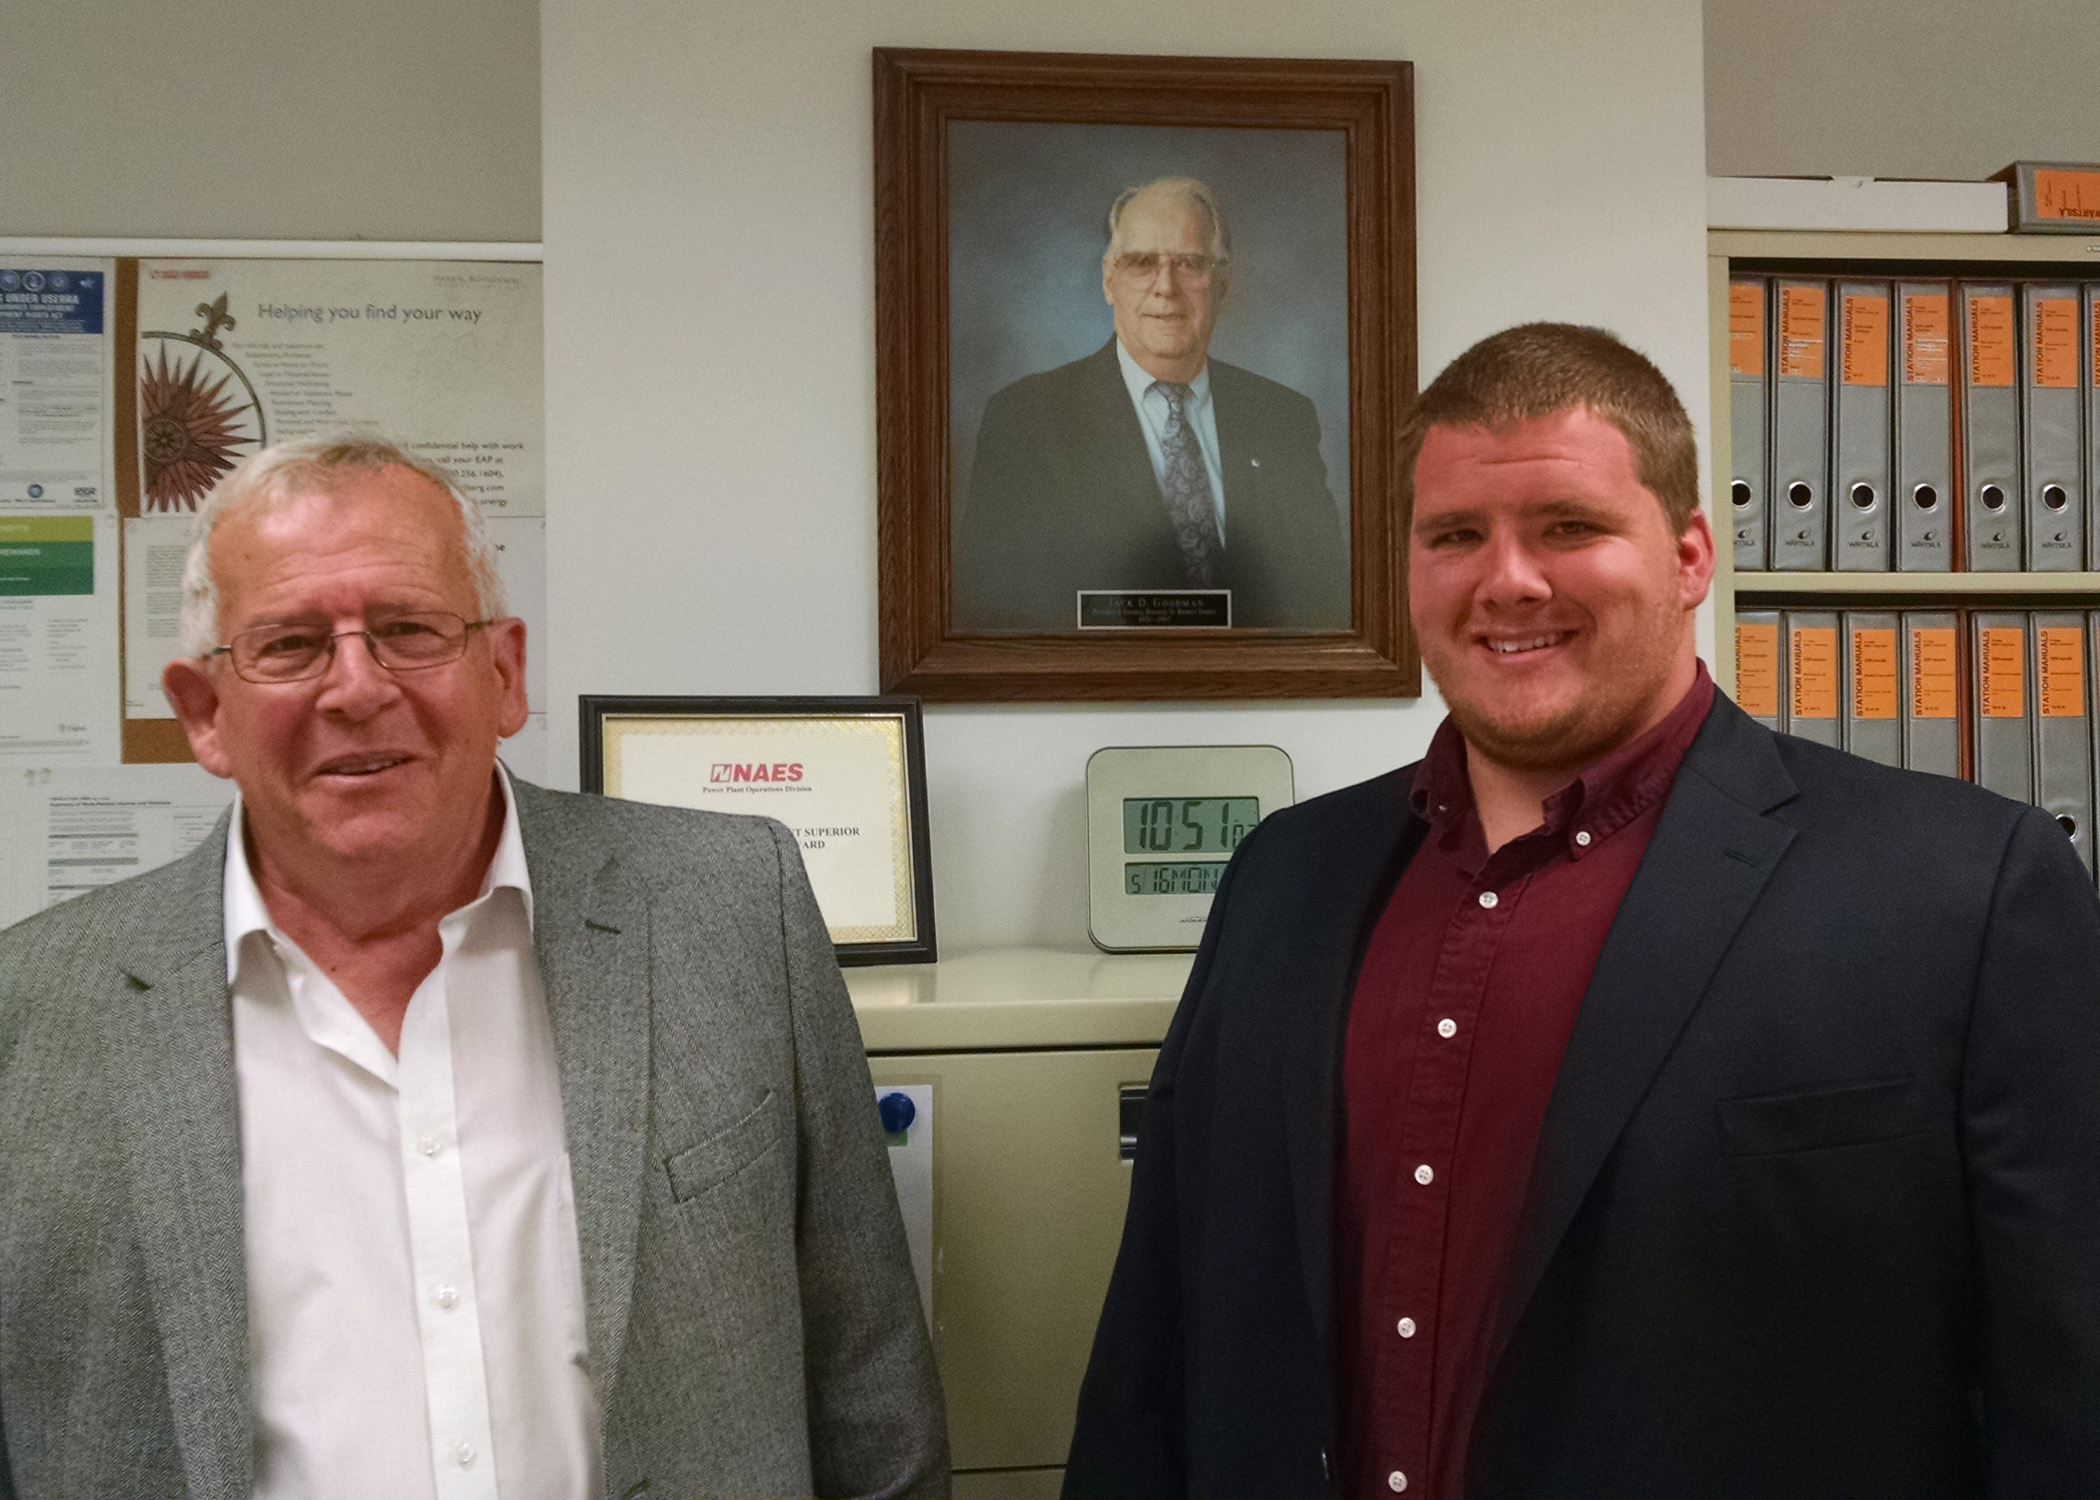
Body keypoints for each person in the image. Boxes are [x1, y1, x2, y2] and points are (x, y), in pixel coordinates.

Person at [1064, 323, 2100, 1499]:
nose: (1508, 579)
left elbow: (2066, 1398)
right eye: (1456, 535)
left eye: (1571, 527)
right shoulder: (1281, 877)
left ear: (1692, 553)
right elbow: (1156, 1339)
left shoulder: (1964, 890)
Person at [0, 433, 949, 1500]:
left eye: (409, 631)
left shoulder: (732, 911)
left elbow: (869, 1384)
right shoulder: (33, 1011)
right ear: (205, 713)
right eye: (289, 645)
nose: (356, 689)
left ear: (503, 673)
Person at [953, 175, 1349, 632]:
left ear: (1221, 285)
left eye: (1189, 263)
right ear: (1108, 282)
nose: (1166, 287)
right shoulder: (1026, 420)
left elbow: (1326, 600)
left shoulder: (1283, 418)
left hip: (1261, 695)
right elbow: (998, 613)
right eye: (1141, 262)